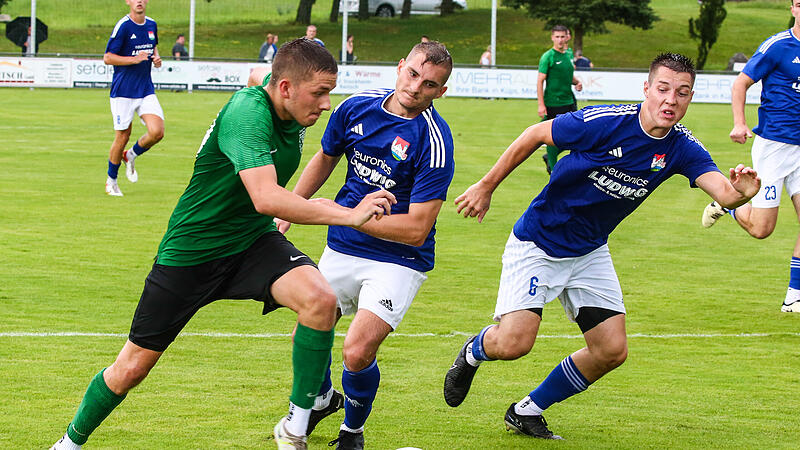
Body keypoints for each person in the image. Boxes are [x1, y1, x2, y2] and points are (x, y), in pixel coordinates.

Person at [50, 38, 397, 450]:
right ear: (285, 88)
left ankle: (295, 428)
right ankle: (68, 444)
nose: (326, 104)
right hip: (192, 252)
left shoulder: (278, 90)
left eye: (329, 93)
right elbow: (266, 198)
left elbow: (258, 75)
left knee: (320, 300)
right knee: (131, 368)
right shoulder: (248, 115)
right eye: (319, 93)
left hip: (251, 241)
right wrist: (349, 214)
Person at [443, 53, 760, 440]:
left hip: (590, 252)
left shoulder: (681, 147)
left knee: (611, 350)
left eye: (682, 93)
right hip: (539, 243)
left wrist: (742, 194)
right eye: (663, 89)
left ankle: (527, 410)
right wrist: (486, 186)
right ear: (646, 88)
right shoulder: (605, 122)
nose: (671, 101)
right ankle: (474, 352)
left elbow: (724, 194)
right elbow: (534, 135)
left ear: (690, 98)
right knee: (513, 343)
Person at [268, 41, 455, 450]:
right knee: (312, 325)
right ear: (400, 65)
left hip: (399, 260)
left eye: (429, 85)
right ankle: (320, 400)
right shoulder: (356, 108)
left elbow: (417, 229)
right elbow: (324, 156)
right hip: (342, 246)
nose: (416, 88)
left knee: (356, 352)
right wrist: (291, 209)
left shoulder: (435, 141)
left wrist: (355, 215)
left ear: (440, 93)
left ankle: (352, 432)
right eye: (412, 75)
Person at [701, 0, 800, 313]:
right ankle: (728, 206)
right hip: (774, 147)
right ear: (793, 8)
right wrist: (739, 122)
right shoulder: (777, 46)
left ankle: (794, 297)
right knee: (761, 230)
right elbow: (741, 83)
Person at [102, 0, 164, 197]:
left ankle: (130, 155)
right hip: (123, 91)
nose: (139, 1)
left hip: (145, 89)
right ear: (128, 2)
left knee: (157, 132)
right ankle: (111, 181)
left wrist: (156, 58)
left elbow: (153, 47)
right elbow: (108, 57)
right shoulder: (123, 26)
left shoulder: (152, 24)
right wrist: (133, 60)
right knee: (122, 136)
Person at [537, 25, 582, 175]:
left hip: (568, 101)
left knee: (576, 136)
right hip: (553, 103)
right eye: (557, 37)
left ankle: (550, 156)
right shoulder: (548, 57)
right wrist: (541, 104)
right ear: (552, 38)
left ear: (567, 37)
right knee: (553, 136)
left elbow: (566, 75)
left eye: (562, 36)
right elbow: (540, 81)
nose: (560, 40)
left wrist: (577, 82)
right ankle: (554, 169)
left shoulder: (569, 53)